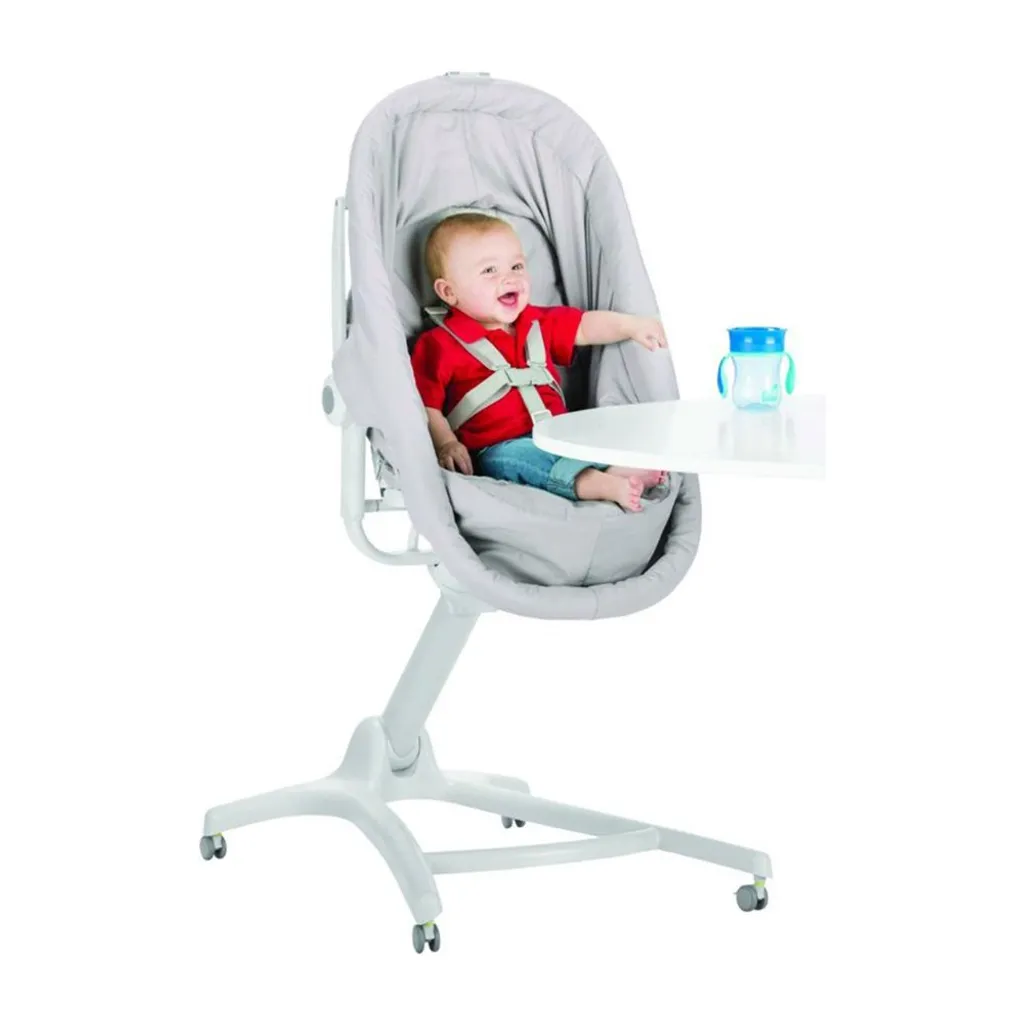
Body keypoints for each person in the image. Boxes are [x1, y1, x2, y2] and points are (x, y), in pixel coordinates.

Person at [410, 212, 668, 512]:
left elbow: (585, 327)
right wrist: (446, 444)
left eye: (517, 266)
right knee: (519, 459)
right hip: (496, 449)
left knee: (594, 434)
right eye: (489, 270)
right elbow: (427, 406)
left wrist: (631, 326)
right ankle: (602, 484)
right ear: (449, 292)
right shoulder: (438, 344)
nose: (510, 278)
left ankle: (615, 467)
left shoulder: (535, 322)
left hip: (560, 435)